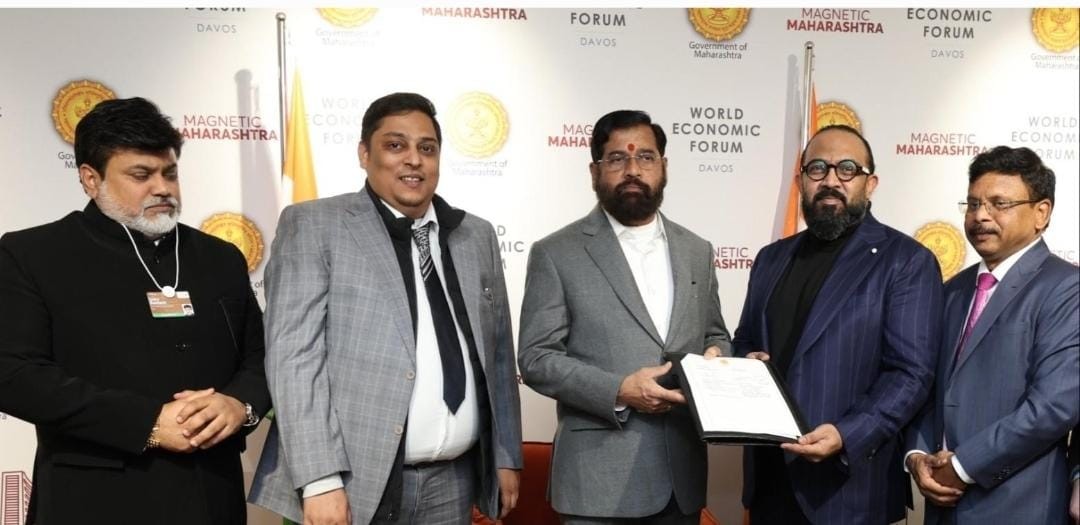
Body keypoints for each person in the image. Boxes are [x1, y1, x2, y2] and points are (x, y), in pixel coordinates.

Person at [249, 92, 522, 525]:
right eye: (396, 145)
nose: (414, 159)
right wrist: (320, 480)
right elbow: (294, 360)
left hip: (454, 482)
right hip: (355, 482)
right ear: (365, 154)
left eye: (427, 148)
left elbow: (499, 355)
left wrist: (506, 456)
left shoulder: (477, 235)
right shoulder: (316, 225)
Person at [0, 97, 270, 524]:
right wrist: (147, 423)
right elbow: (15, 375)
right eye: (141, 175)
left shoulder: (220, 258)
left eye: (170, 173)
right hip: (93, 502)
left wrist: (239, 405)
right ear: (91, 179)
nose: (162, 188)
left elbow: (261, 358)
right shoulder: (32, 254)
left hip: (211, 497)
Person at [518, 109, 731, 524]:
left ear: (663, 167)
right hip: (598, 485)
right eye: (617, 158)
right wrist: (619, 390)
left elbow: (715, 333)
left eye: (645, 157)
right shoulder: (557, 253)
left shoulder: (696, 251)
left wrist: (715, 358)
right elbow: (536, 358)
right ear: (594, 171)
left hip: (681, 481)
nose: (633, 170)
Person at [732, 125, 943, 524]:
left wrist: (847, 434)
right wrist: (746, 360)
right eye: (817, 169)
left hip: (849, 488)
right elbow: (744, 338)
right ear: (801, 181)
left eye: (847, 169)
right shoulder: (770, 259)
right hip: (770, 483)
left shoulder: (906, 261)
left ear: (870, 183)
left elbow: (911, 374)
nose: (831, 180)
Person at [906, 146, 1079, 525]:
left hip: (1019, 507)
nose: (981, 216)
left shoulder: (1067, 288)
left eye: (999, 204)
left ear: (1041, 212)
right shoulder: (953, 290)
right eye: (973, 204)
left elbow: (1054, 406)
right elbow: (925, 387)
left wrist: (964, 466)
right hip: (942, 507)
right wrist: (916, 456)